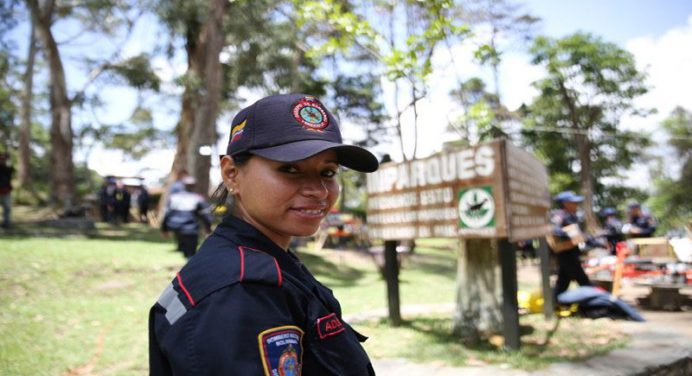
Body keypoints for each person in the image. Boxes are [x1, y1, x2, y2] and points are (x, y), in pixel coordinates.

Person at [149, 94, 378, 375]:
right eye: (290, 169)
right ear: (232, 173)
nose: (318, 190)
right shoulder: (243, 290)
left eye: (328, 172)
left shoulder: (260, 261)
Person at [550, 191, 593, 299]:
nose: (576, 205)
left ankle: (556, 301)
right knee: (583, 280)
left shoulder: (570, 216)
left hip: (571, 253)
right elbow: (555, 230)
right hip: (566, 254)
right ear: (565, 203)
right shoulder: (560, 215)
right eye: (573, 202)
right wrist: (569, 234)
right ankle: (594, 301)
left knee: (563, 281)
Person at [161, 176, 213, 259]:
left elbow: (167, 214)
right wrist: (208, 228)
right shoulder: (197, 198)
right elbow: (205, 215)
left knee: (185, 251)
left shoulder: (174, 198)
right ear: (194, 186)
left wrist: (164, 229)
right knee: (190, 254)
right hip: (190, 229)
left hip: (175, 227)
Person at [0, 153, 14, 229]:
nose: (2, 160)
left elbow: (11, 170)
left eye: (4, 159)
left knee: (7, 208)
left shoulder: (8, 168)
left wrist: (8, 161)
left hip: (6, 191)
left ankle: (6, 223)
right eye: (1, 159)